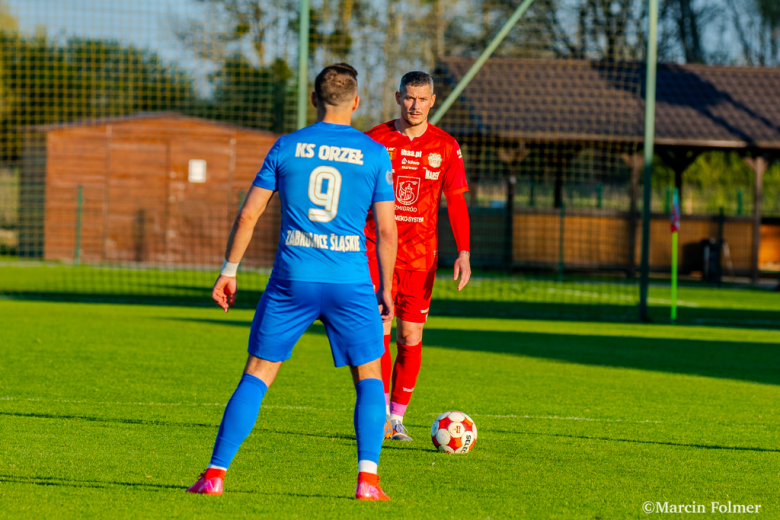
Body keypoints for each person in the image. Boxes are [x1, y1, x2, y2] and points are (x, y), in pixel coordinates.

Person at [186, 63, 398, 501]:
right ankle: (368, 481)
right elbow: (388, 229)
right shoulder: (375, 153)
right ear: (356, 102)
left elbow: (249, 214)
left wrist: (229, 270)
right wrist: (387, 291)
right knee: (370, 376)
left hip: (291, 279)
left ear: (314, 99)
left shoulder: (287, 146)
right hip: (350, 281)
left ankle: (215, 474)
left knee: (258, 373)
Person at [364, 71, 471, 442]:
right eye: (409, 98)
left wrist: (464, 252)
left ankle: (397, 418)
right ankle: (380, 419)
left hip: (422, 257)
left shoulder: (445, 146)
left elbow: (456, 202)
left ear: (433, 100)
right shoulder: (375, 140)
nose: (415, 105)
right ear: (398, 97)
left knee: (410, 337)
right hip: (377, 252)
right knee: (380, 331)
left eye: (422, 99)